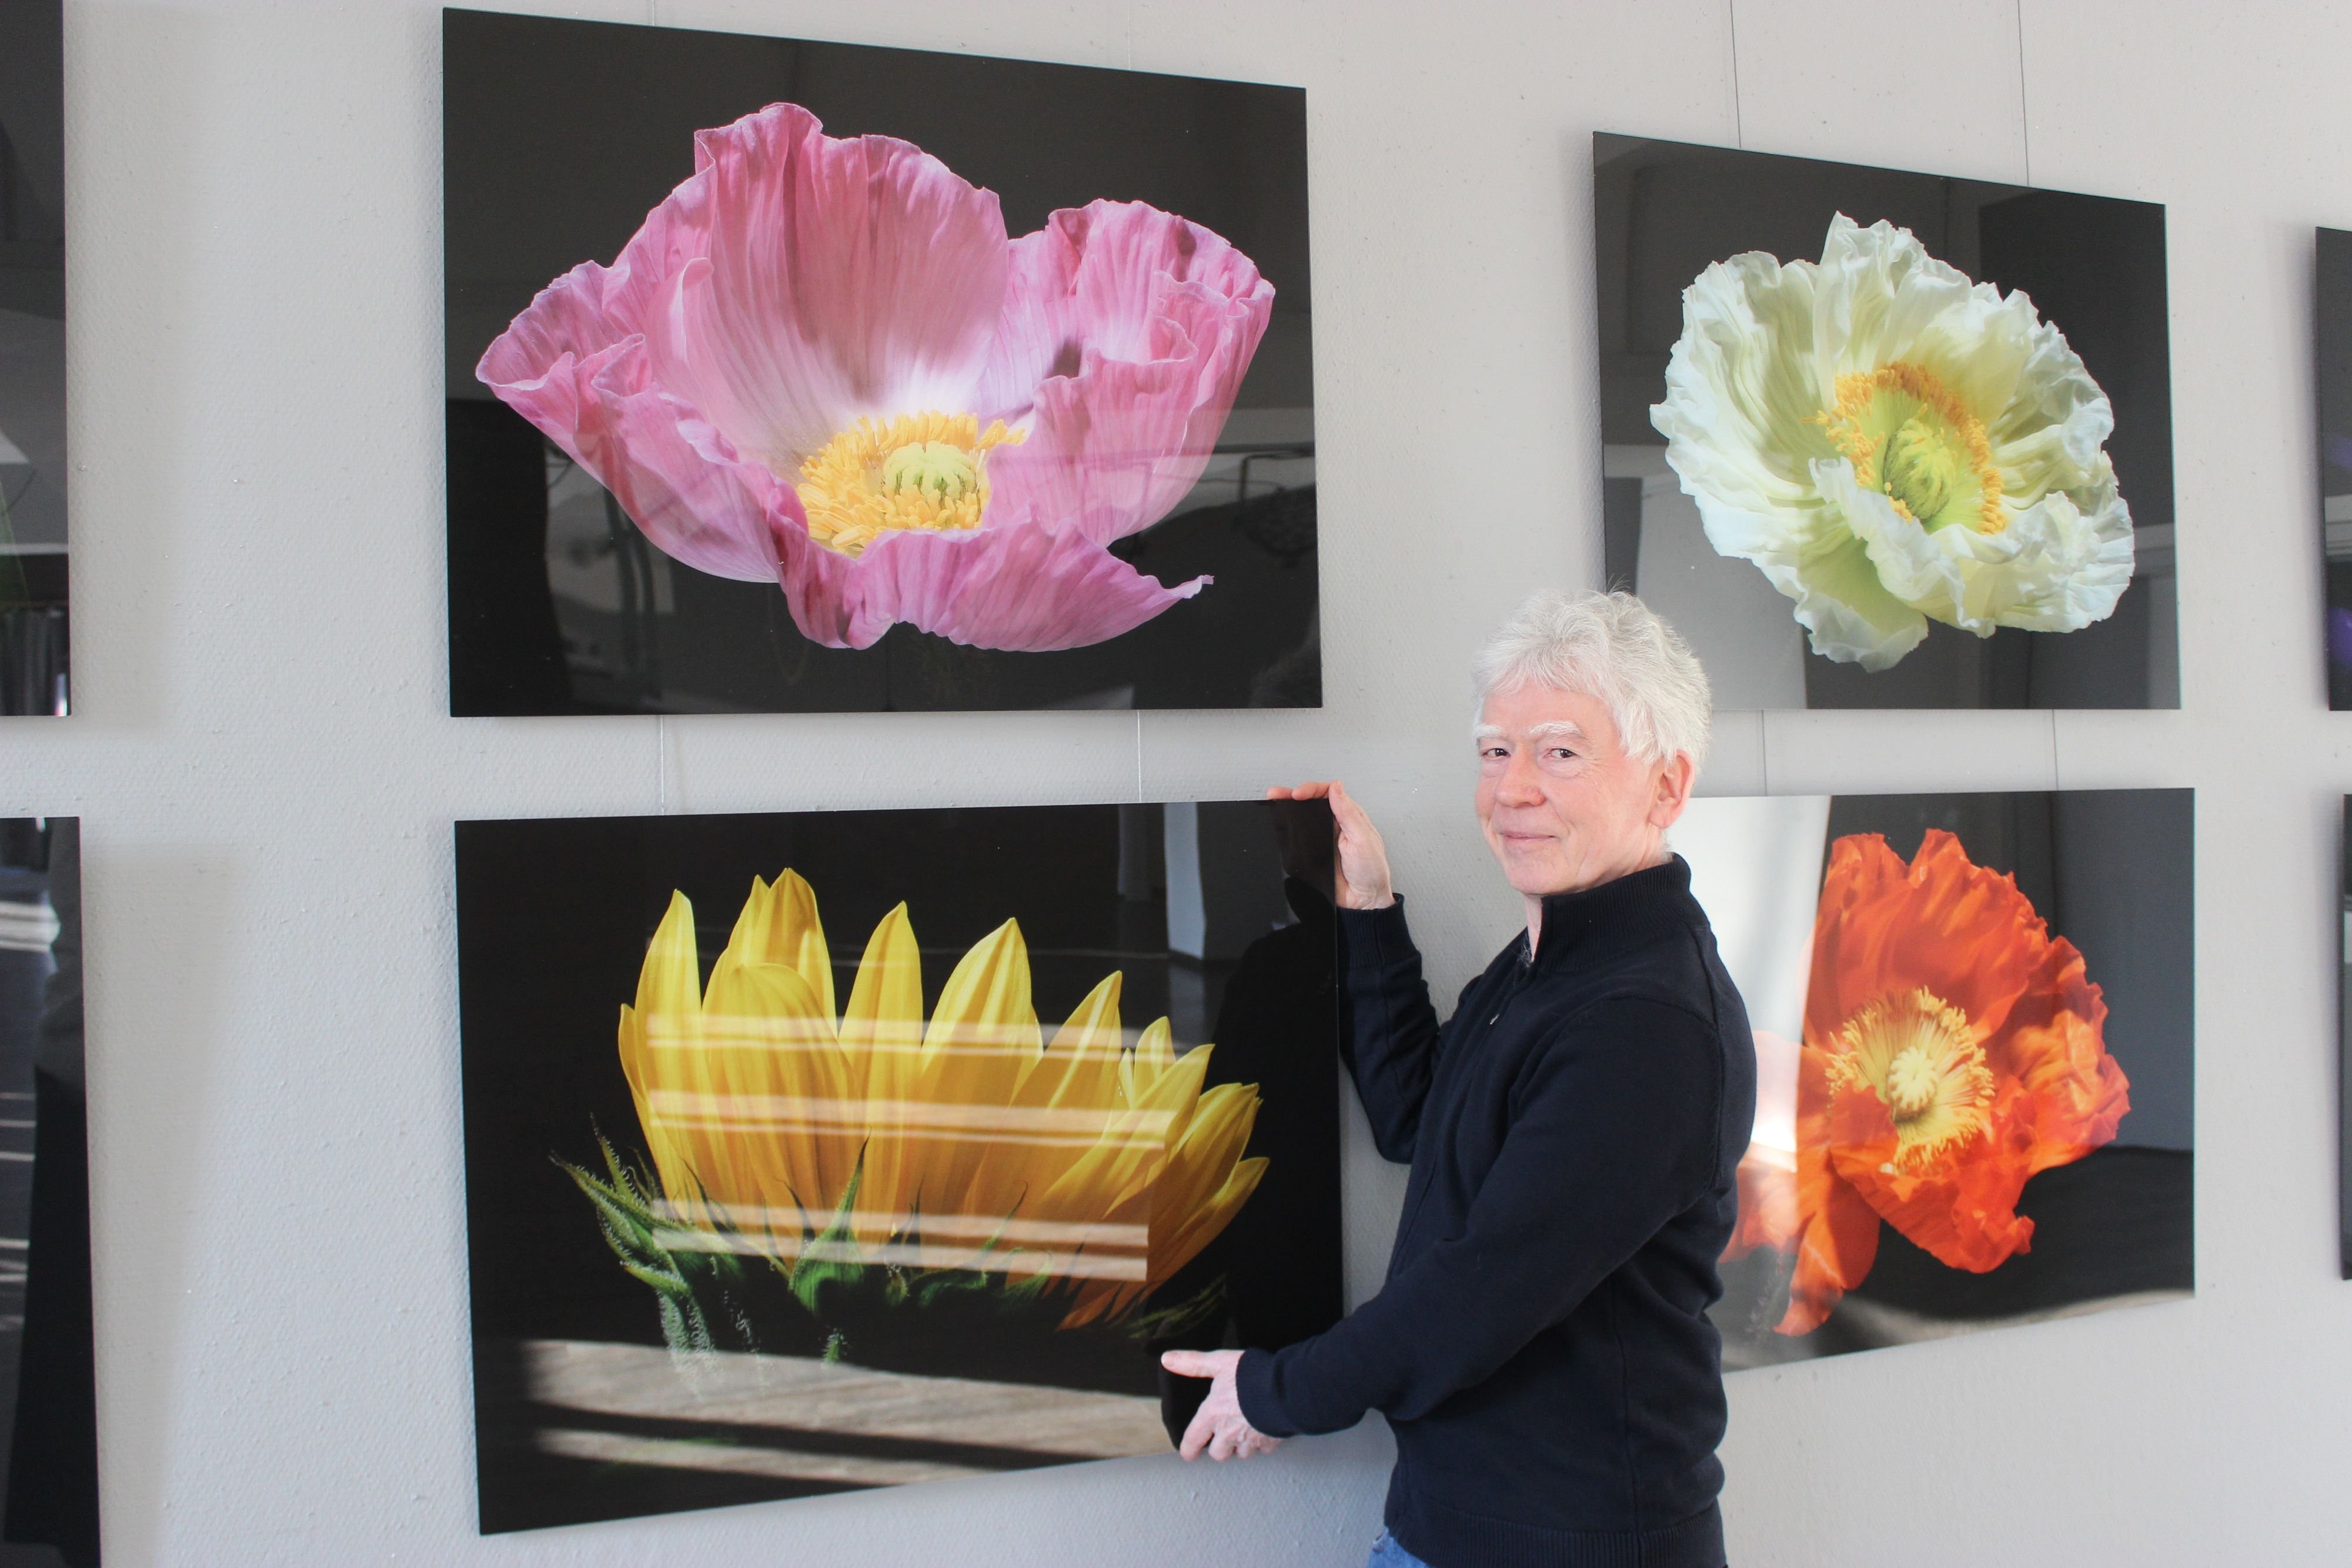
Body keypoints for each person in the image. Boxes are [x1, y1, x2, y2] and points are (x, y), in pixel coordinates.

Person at [1162, 589, 1754, 1568]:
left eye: (1561, 753)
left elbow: (1476, 1297)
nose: (1513, 788)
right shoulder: (1551, 965)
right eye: (1494, 752)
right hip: (1457, 1526)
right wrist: (1368, 910)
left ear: (1666, 786)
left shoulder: (1646, 1025)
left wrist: (1274, 1390)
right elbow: (1419, 1121)